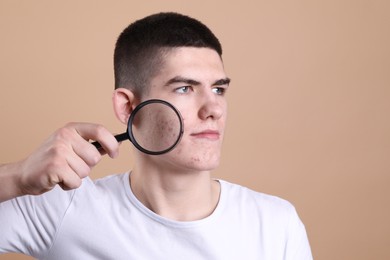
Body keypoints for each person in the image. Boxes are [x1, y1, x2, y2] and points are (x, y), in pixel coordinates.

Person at [0, 12, 313, 259]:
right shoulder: (62, 210)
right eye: (185, 88)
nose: (213, 109)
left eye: (218, 89)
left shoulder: (275, 224)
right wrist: (17, 177)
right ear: (128, 107)